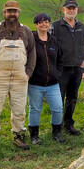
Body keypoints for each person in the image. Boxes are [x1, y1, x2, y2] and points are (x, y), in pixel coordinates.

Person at [0, 0, 36, 150]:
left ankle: (18, 136)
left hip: (20, 76)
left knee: (19, 109)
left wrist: (28, 73)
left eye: (15, 11)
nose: (12, 14)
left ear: (19, 13)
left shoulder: (26, 31)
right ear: (4, 13)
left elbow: (32, 53)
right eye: (9, 11)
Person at [51, 0, 84, 136]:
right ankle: (57, 127)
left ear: (77, 10)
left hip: (77, 68)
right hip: (62, 69)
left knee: (72, 98)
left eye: (73, 8)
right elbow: (49, 46)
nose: (71, 10)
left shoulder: (82, 27)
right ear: (64, 10)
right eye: (69, 8)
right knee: (59, 99)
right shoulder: (55, 26)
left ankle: (68, 125)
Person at [27, 13, 65, 145]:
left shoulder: (54, 40)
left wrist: (57, 74)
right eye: (40, 22)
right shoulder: (30, 39)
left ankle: (56, 132)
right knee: (35, 109)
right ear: (36, 24)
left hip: (53, 84)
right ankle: (34, 135)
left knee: (58, 108)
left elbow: (60, 59)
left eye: (46, 21)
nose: (44, 24)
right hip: (35, 83)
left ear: (49, 24)